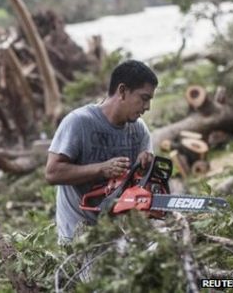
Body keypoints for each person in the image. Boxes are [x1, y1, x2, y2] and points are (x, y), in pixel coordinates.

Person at [45, 59, 158, 245]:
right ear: (122, 91)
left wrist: (145, 167)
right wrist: (101, 169)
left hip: (119, 230)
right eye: (144, 98)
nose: (147, 107)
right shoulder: (79, 122)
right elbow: (52, 173)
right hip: (79, 235)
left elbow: (140, 182)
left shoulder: (139, 130)